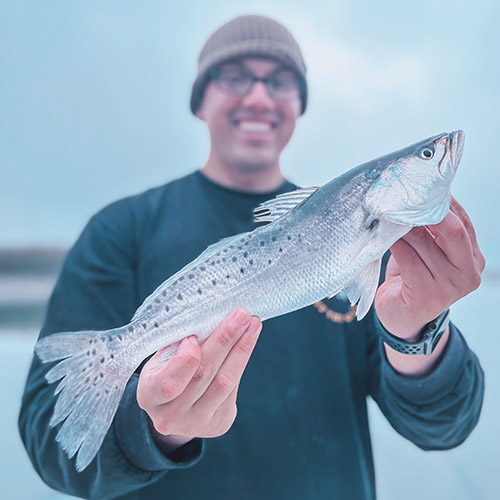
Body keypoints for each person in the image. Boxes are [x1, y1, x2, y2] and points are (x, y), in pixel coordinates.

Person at [19, 14, 485, 500]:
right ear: (199, 99)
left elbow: (444, 429)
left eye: (280, 81)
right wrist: (156, 429)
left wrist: (417, 333)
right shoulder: (119, 231)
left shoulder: (379, 248)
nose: (260, 96)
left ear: (299, 104)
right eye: (235, 76)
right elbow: (54, 445)